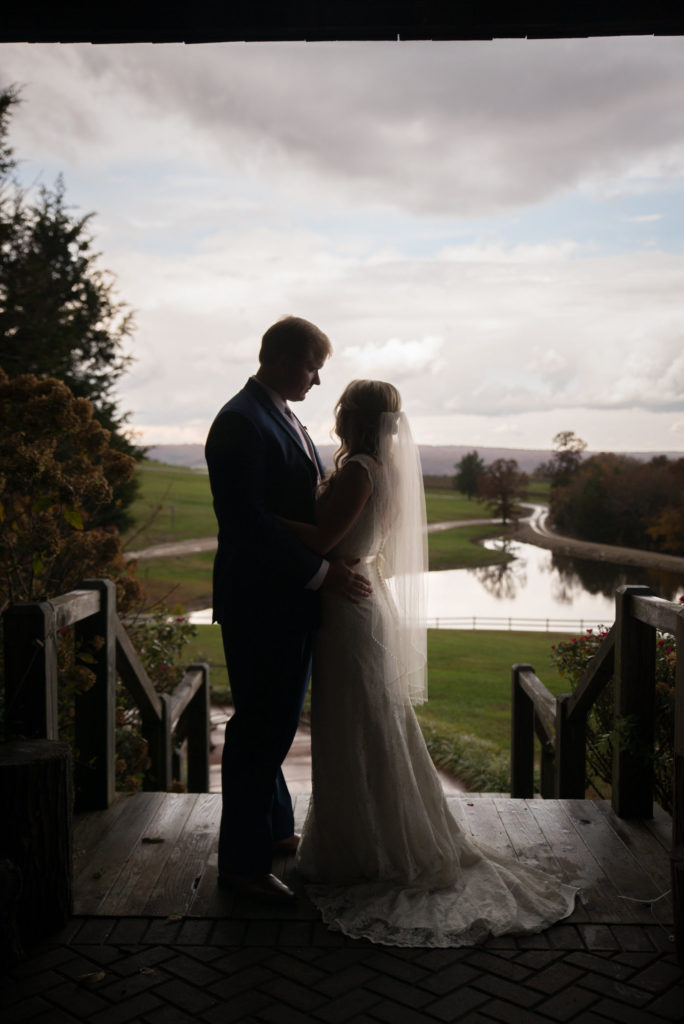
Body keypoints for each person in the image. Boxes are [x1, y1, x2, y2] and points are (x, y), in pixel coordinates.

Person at [282, 379, 578, 946]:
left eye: (342, 404)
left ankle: (369, 849)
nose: (336, 410)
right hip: (360, 595)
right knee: (368, 720)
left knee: (356, 721)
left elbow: (324, 540)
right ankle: (369, 838)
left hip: (348, 607)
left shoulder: (360, 469)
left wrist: (266, 523)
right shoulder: (381, 469)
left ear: (353, 415)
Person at [205, 317, 371, 905]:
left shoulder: (278, 413)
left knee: (271, 721)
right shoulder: (238, 422)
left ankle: (273, 830)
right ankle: (242, 868)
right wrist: (323, 574)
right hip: (262, 601)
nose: (319, 380)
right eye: (311, 366)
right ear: (278, 358)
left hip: (283, 601)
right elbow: (246, 524)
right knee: (259, 730)